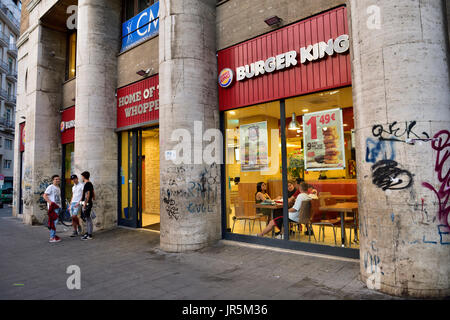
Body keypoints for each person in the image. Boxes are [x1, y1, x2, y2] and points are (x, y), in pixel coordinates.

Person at [43, 175, 62, 243]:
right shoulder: (50, 187)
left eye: (58, 179)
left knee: (54, 222)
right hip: (53, 207)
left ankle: (53, 235)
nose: (57, 180)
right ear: (52, 180)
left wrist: (60, 206)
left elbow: (58, 198)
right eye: (56, 179)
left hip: (58, 207)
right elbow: (44, 196)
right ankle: (52, 237)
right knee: (54, 222)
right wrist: (50, 203)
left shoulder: (58, 188)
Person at [80, 171, 95, 240]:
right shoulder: (89, 183)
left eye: (82, 176)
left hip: (87, 203)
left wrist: (85, 204)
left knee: (88, 219)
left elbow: (88, 194)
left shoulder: (87, 184)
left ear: (83, 177)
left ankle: (89, 234)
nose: (81, 178)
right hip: (87, 202)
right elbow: (93, 192)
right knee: (86, 219)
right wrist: (93, 197)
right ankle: (88, 233)